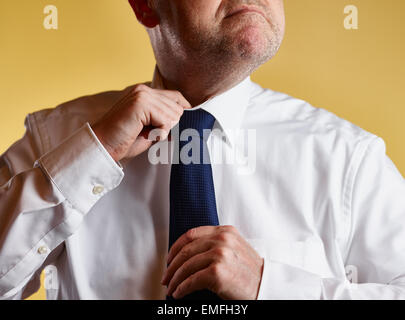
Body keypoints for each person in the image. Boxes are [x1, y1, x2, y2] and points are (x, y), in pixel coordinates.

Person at [1, 0, 405, 300]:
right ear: (145, 6)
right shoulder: (55, 140)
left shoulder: (348, 158)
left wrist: (271, 285)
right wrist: (94, 154)